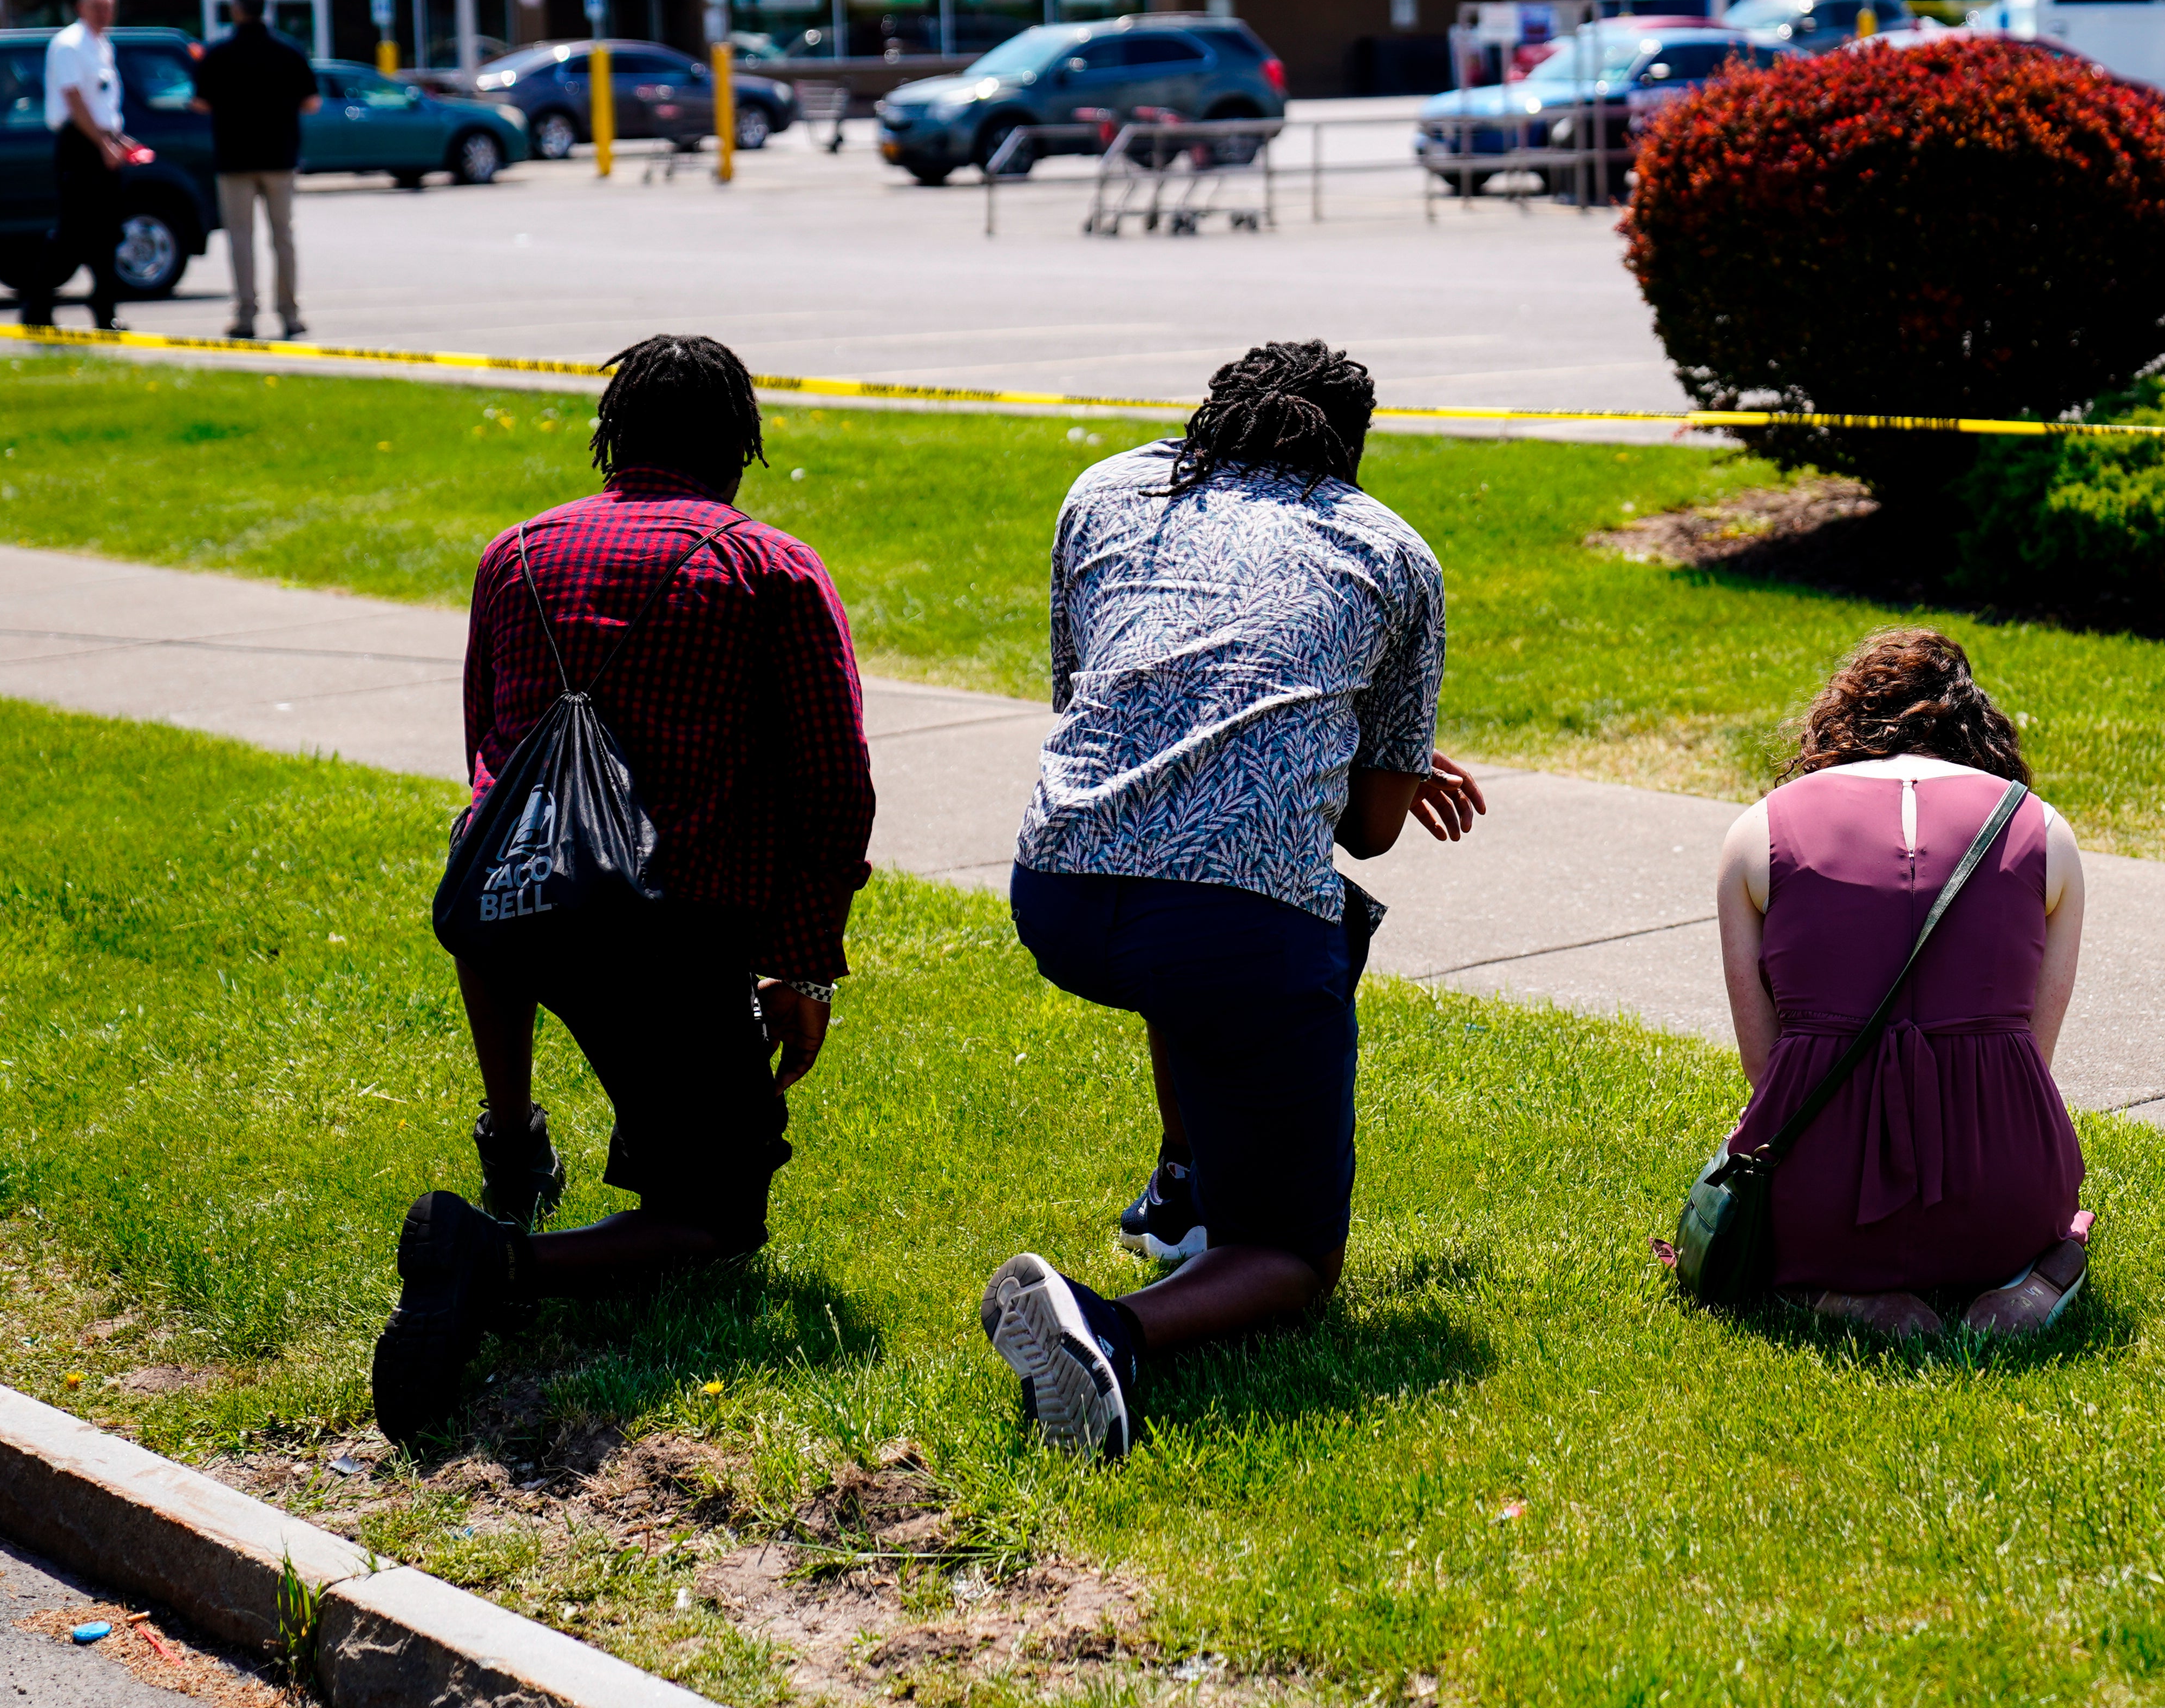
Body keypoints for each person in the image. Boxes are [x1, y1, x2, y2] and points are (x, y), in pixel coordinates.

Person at [980, 340, 1486, 1460]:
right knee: (1294, 1258)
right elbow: (1370, 828)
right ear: (1351, 451)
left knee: (1205, 923)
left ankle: (1181, 1188)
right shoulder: (1388, 548)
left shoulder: (1106, 487)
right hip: (1224, 926)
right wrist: (1368, 752)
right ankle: (1105, 1329)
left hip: (1058, 885)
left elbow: (1106, 689)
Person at [371, 334, 877, 1447]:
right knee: (712, 1215)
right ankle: (496, 1255)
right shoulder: (771, 569)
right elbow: (833, 790)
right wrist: (801, 961)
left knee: (497, 897)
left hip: (508, 909)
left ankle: (515, 1143)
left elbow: (487, 755)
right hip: (671, 929)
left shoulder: (515, 552)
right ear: (739, 446)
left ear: (612, 436)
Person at [1713, 628, 2090, 1339]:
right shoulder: (2044, 831)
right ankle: (2037, 1281)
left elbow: (1767, 1073)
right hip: (2005, 1194)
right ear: (1978, 731)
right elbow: (2030, 1063)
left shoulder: (1756, 832)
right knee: (2044, 1223)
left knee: (1766, 1205)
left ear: (1841, 722)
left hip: (1820, 1203)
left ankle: (1844, 1296)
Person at [188, 0, 319, 341]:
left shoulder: (219, 53)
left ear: (236, 10)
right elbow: (312, 102)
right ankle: (290, 315)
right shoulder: (289, 51)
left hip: (235, 159)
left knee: (241, 240)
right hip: (280, 157)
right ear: (266, 9)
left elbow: (200, 103)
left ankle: (246, 316)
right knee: (284, 237)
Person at [37, 0, 132, 331]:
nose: (104, 14)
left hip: (101, 140)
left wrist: (119, 139)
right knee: (72, 232)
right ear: (81, 8)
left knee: (107, 231)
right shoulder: (69, 44)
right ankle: (38, 306)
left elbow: (102, 102)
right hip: (79, 145)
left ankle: (105, 310)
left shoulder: (102, 45)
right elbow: (74, 101)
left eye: (109, 7)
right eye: (97, 7)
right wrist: (102, 144)